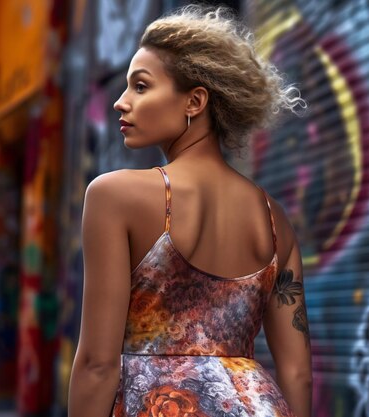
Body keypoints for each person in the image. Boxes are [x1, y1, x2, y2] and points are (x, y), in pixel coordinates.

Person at [68, 5, 311, 417]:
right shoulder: (275, 221)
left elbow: (97, 363)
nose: (120, 103)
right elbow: (298, 372)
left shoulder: (116, 196)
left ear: (195, 101)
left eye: (140, 87)